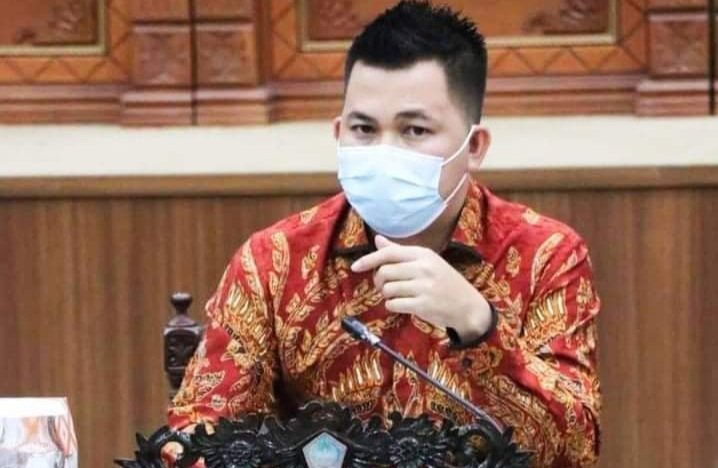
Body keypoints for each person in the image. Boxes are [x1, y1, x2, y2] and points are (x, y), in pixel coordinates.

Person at [168, 1, 601, 466]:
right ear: (339, 132)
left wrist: (480, 326)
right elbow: (195, 436)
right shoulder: (274, 260)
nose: (384, 151)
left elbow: (574, 451)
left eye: (414, 130)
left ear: (473, 146)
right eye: (364, 129)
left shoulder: (546, 256)